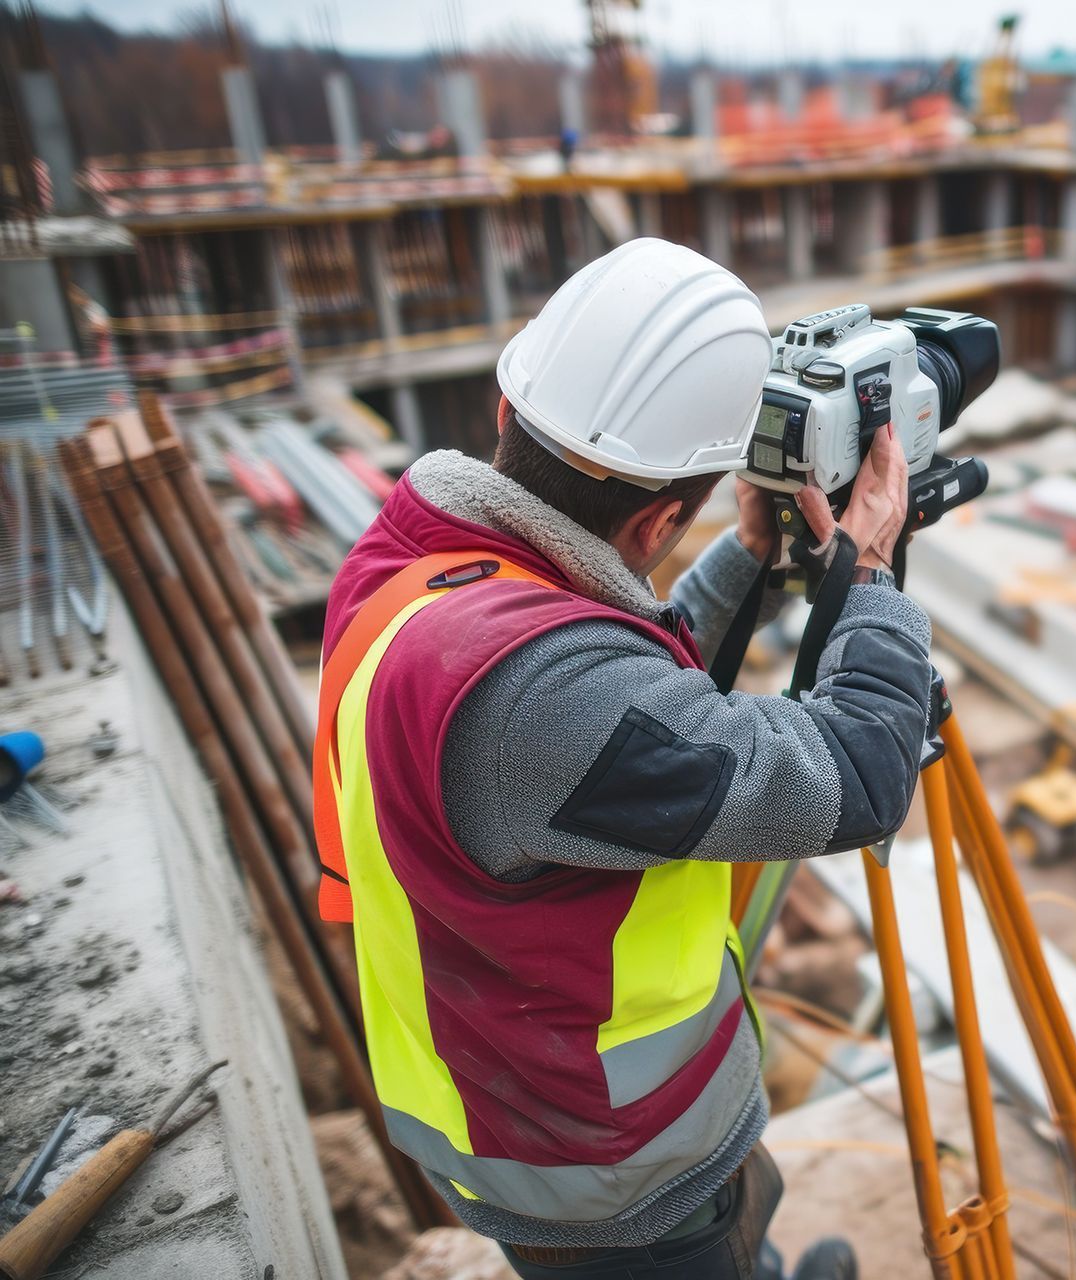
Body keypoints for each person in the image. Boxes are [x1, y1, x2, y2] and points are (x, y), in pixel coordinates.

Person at [315, 239, 932, 1279]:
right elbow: (861, 775)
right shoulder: (548, 701)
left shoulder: (409, 571)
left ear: (509, 413)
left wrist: (739, 553)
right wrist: (870, 569)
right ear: (656, 516)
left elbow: (616, 714)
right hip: (616, 1174)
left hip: (519, 1085)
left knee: (746, 1234)